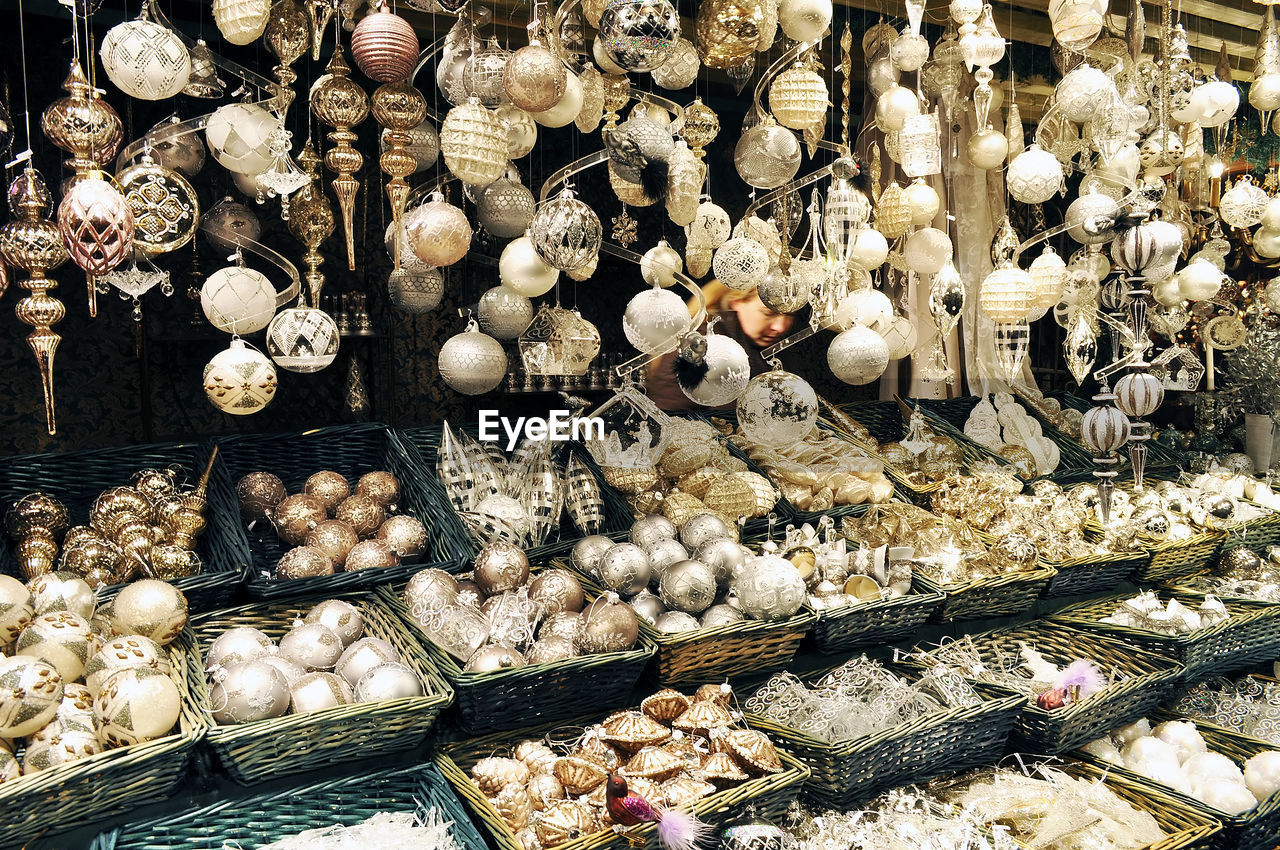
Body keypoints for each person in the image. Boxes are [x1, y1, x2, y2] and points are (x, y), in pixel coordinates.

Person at [646, 281, 797, 411]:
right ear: (736, 302)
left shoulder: (756, 344)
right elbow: (672, 418)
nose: (781, 327)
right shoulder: (698, 348)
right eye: (768, 313)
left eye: (790, 315)